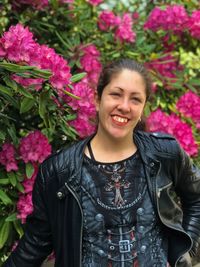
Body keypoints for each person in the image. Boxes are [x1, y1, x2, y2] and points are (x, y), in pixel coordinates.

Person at [3, 58, 200, 267]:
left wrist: (187, 256)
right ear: (97, 99)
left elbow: (196, 199)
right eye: (116, 94)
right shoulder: (59, 172)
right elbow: (34, 246)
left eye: (135, 99)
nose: (124, 106)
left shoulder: (164, 154)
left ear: (143, 107)